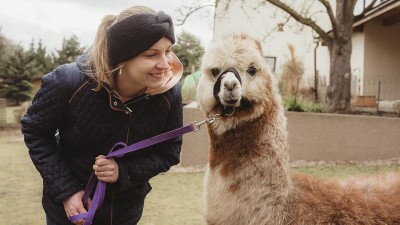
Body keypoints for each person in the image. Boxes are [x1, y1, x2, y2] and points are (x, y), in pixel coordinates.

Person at [21, 5, 183, 225]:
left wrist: (123, 171)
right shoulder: (68, 82)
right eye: (151, 54)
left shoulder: (168, 94)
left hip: (125, 213)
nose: (165, 64)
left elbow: (169, 153)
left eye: (168, 51)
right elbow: (36, 132)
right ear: (121, 57)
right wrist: (67, 191)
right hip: (67, 211)